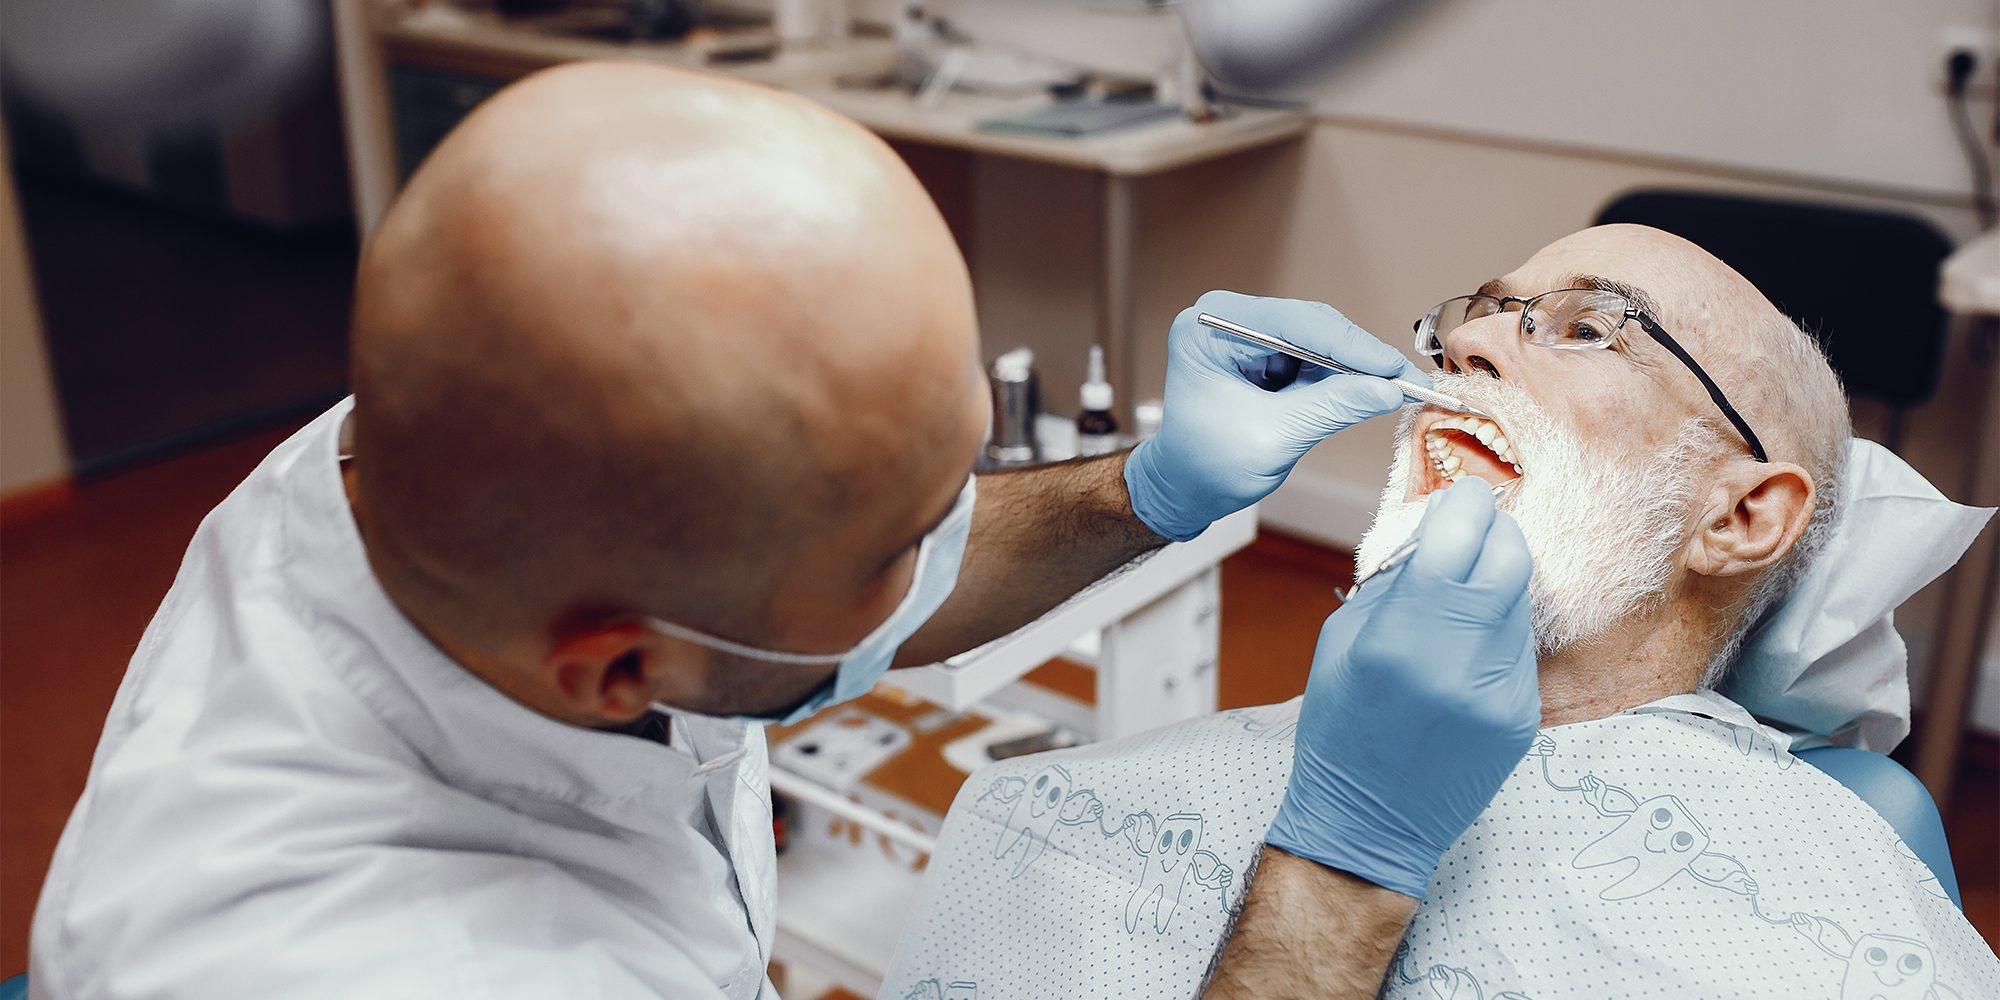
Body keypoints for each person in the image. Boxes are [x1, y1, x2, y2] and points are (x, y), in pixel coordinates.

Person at [29, 61, 1540, 998]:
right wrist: (1347, 868)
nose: (950, 539)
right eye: (902, 541)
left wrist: (1142, 487)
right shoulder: (418, 963)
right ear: (620, 671)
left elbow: (784, 590)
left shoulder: (433, 446)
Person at [883, 225, 2000, 999]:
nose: (1466, 345)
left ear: (1741, 515)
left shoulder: (1819, 930)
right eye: (1476, 314)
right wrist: (1145, 484)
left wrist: (1351, 853)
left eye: (1587, 327)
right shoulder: (1052, 811)